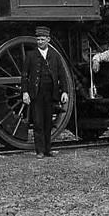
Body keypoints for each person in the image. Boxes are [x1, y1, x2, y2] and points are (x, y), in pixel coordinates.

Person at [21, 26, 70, 158]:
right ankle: (40, 151)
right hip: (36, 93)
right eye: (38, 39)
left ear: (48, 39)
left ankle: (48, 149)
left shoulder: (55, 56)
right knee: (38, 122)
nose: (40, 41)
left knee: (48, 122)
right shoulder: (30, 55)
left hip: (51, 93)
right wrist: (25, 92)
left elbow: (62, 74)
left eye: (42, 39)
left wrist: (64, 91)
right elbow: (24, 75)